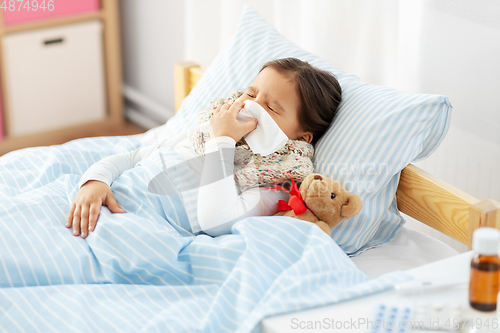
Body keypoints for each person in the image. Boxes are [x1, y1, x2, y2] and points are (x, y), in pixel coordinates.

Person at [66, 57, 342, 239]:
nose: (250, 106)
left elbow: (216, 221)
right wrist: (94, 182)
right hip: (100, 200)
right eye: (250, 93)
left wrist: (222, 141)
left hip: (134, 227)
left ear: (301, 138)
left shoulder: (275, 183)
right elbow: (133, 157)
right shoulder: (202, 132)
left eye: (271, 108)